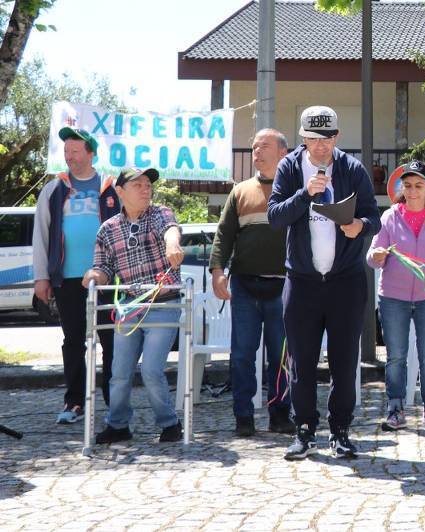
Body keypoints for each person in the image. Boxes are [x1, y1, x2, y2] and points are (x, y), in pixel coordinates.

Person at [268, 106, 380, 460]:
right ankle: (303, 430)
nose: (320, 146)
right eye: (314, 139)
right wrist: (305, 194)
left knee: (344, 362)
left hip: (346, 280)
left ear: (337, 137)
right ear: (302, 138)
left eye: (327, 138)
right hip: (302, 280)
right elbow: (275, 217)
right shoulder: (289, 168)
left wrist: (359, 226)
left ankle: (340, 430)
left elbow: (374, 217)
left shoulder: (352, 169)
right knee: (301, 361)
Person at [83, 167, 186, 444]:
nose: (145, 189)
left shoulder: (160, 213)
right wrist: (94, 276)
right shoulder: (108, 229)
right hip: (129, 306)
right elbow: (103, 267)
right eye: (138, 185)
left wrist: (173, 244)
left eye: (148, 184)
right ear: (120, 191)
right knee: (119, 372)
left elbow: (171, 230)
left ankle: (170, 423)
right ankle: (118, 425)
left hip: (164, 304)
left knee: (151, 370)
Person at [32, 127, 121, 425]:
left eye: (75, 151)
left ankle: (114, 403)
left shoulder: (110, 187)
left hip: (106, 278)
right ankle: (74, 402)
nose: (69, 156)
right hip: (67, 278)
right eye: (66, 151)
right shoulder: (54, 189)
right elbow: (41, 234)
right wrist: (41, 277)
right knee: (73, 340)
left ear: (90, 153)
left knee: (110, 339)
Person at [210, 128, 295, 437]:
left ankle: (280, 415)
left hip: (284, 288)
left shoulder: (297, 191)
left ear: (283, 153)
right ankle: (243, 417)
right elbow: (224, 235)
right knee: (242, 355)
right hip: (245, 287)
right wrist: (217, 271)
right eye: (254, 146)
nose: (256, 151)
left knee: (281, 356)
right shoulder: (240, 191)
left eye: (264, 146)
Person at [367, 160, 425, 433]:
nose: (413, 191)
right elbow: (372, 255)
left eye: (418, 185)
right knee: (396, 356)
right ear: (401, 188)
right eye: (407, 185)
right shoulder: (389, 217)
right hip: (393, 297)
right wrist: (377, 255)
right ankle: (395, 409)